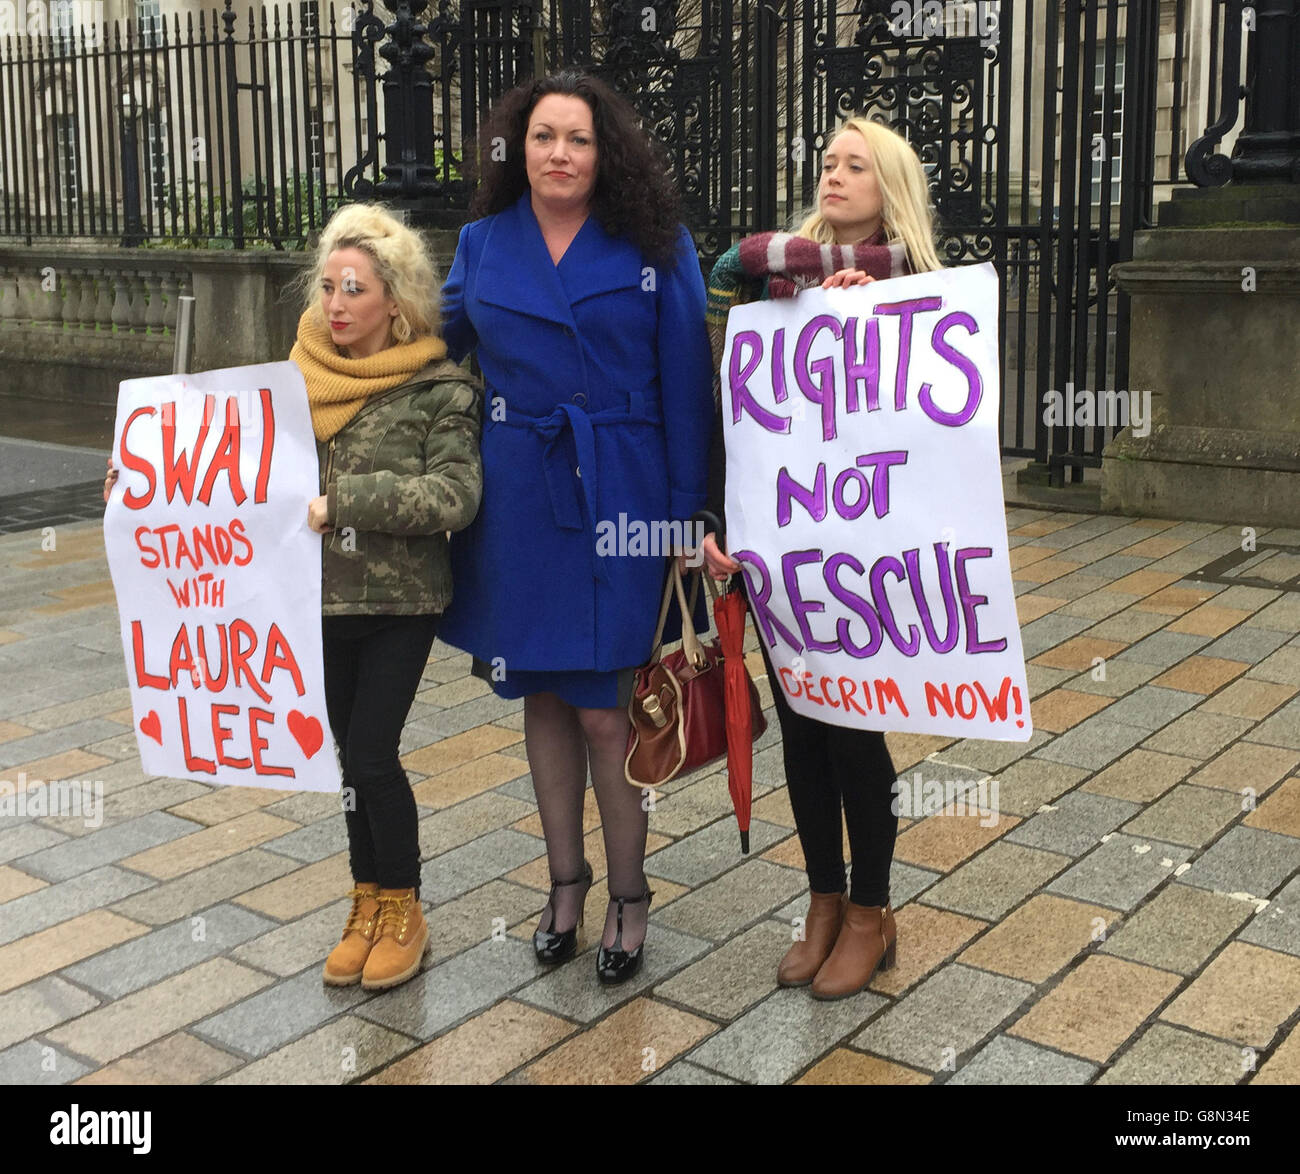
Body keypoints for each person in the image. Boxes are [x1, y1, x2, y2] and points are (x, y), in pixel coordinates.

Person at [109, 203, 484, 993]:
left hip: (399, 604)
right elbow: (215, 474)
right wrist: (142, 489)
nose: (336, 303)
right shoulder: (284, 385)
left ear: (396, 300)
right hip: (311, 603)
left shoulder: (439, 389)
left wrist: (344, 499)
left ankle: (406, 908)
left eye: (355, 288)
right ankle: (366, 900)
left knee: (376, 755)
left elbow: (455, 496)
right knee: (346, 758)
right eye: (328, 287)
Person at [438, 70, 713, 983]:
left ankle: (630, 896)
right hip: (519, 498)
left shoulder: (657, 245)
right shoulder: (481, 242)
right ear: (518, 146)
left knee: (605, 709)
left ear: (607, 153)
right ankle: (565, 883)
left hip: (621, 495)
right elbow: (417, 352)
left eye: (579, 139)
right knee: (543, 697)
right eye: (544, 136)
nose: (559, 153)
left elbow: (688, 387)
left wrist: (690, 514)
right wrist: (289, 399)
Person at [694, 116, 944, 1000]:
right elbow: (725, 383)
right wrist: (713, 513)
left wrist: (869, 300)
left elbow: (940, 417)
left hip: (865, 547)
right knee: (802, 721)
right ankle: (824, 901)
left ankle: (873, 911)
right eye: (827, 163)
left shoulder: (922, 287)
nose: (835, 176)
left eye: (856, 166)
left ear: (891, 186)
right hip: (783, 542)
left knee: (853, 723)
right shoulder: (772, 275)